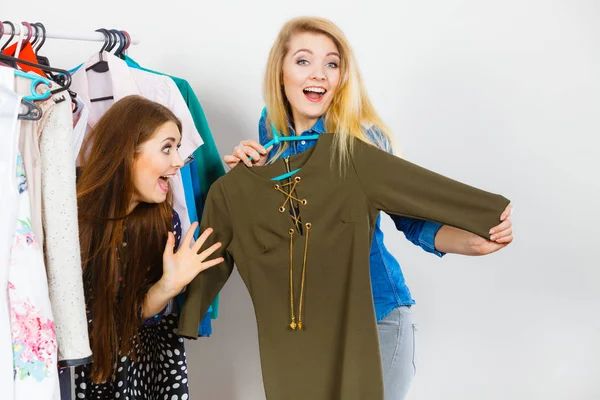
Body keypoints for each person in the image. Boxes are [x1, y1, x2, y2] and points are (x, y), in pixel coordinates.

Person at [223, 17, 513, 400]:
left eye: (332, 63)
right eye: (304, 61)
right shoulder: (269, 132)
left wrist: (474, 241)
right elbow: (282, 235)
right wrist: (254, 181)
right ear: (281, 71)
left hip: (375, 319)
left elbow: (413, 222)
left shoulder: (360, 138)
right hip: (310, 328)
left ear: (343, 77)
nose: (320, 74)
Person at [73, 95, 224, 399]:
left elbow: (140, 328)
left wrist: (168, 290)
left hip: (145, 379)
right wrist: (163, 290)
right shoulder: (70, 219)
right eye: (167, 147)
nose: (179, 161)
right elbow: (81, 330)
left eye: (178, 148)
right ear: (126, 151)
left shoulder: (164, 223)